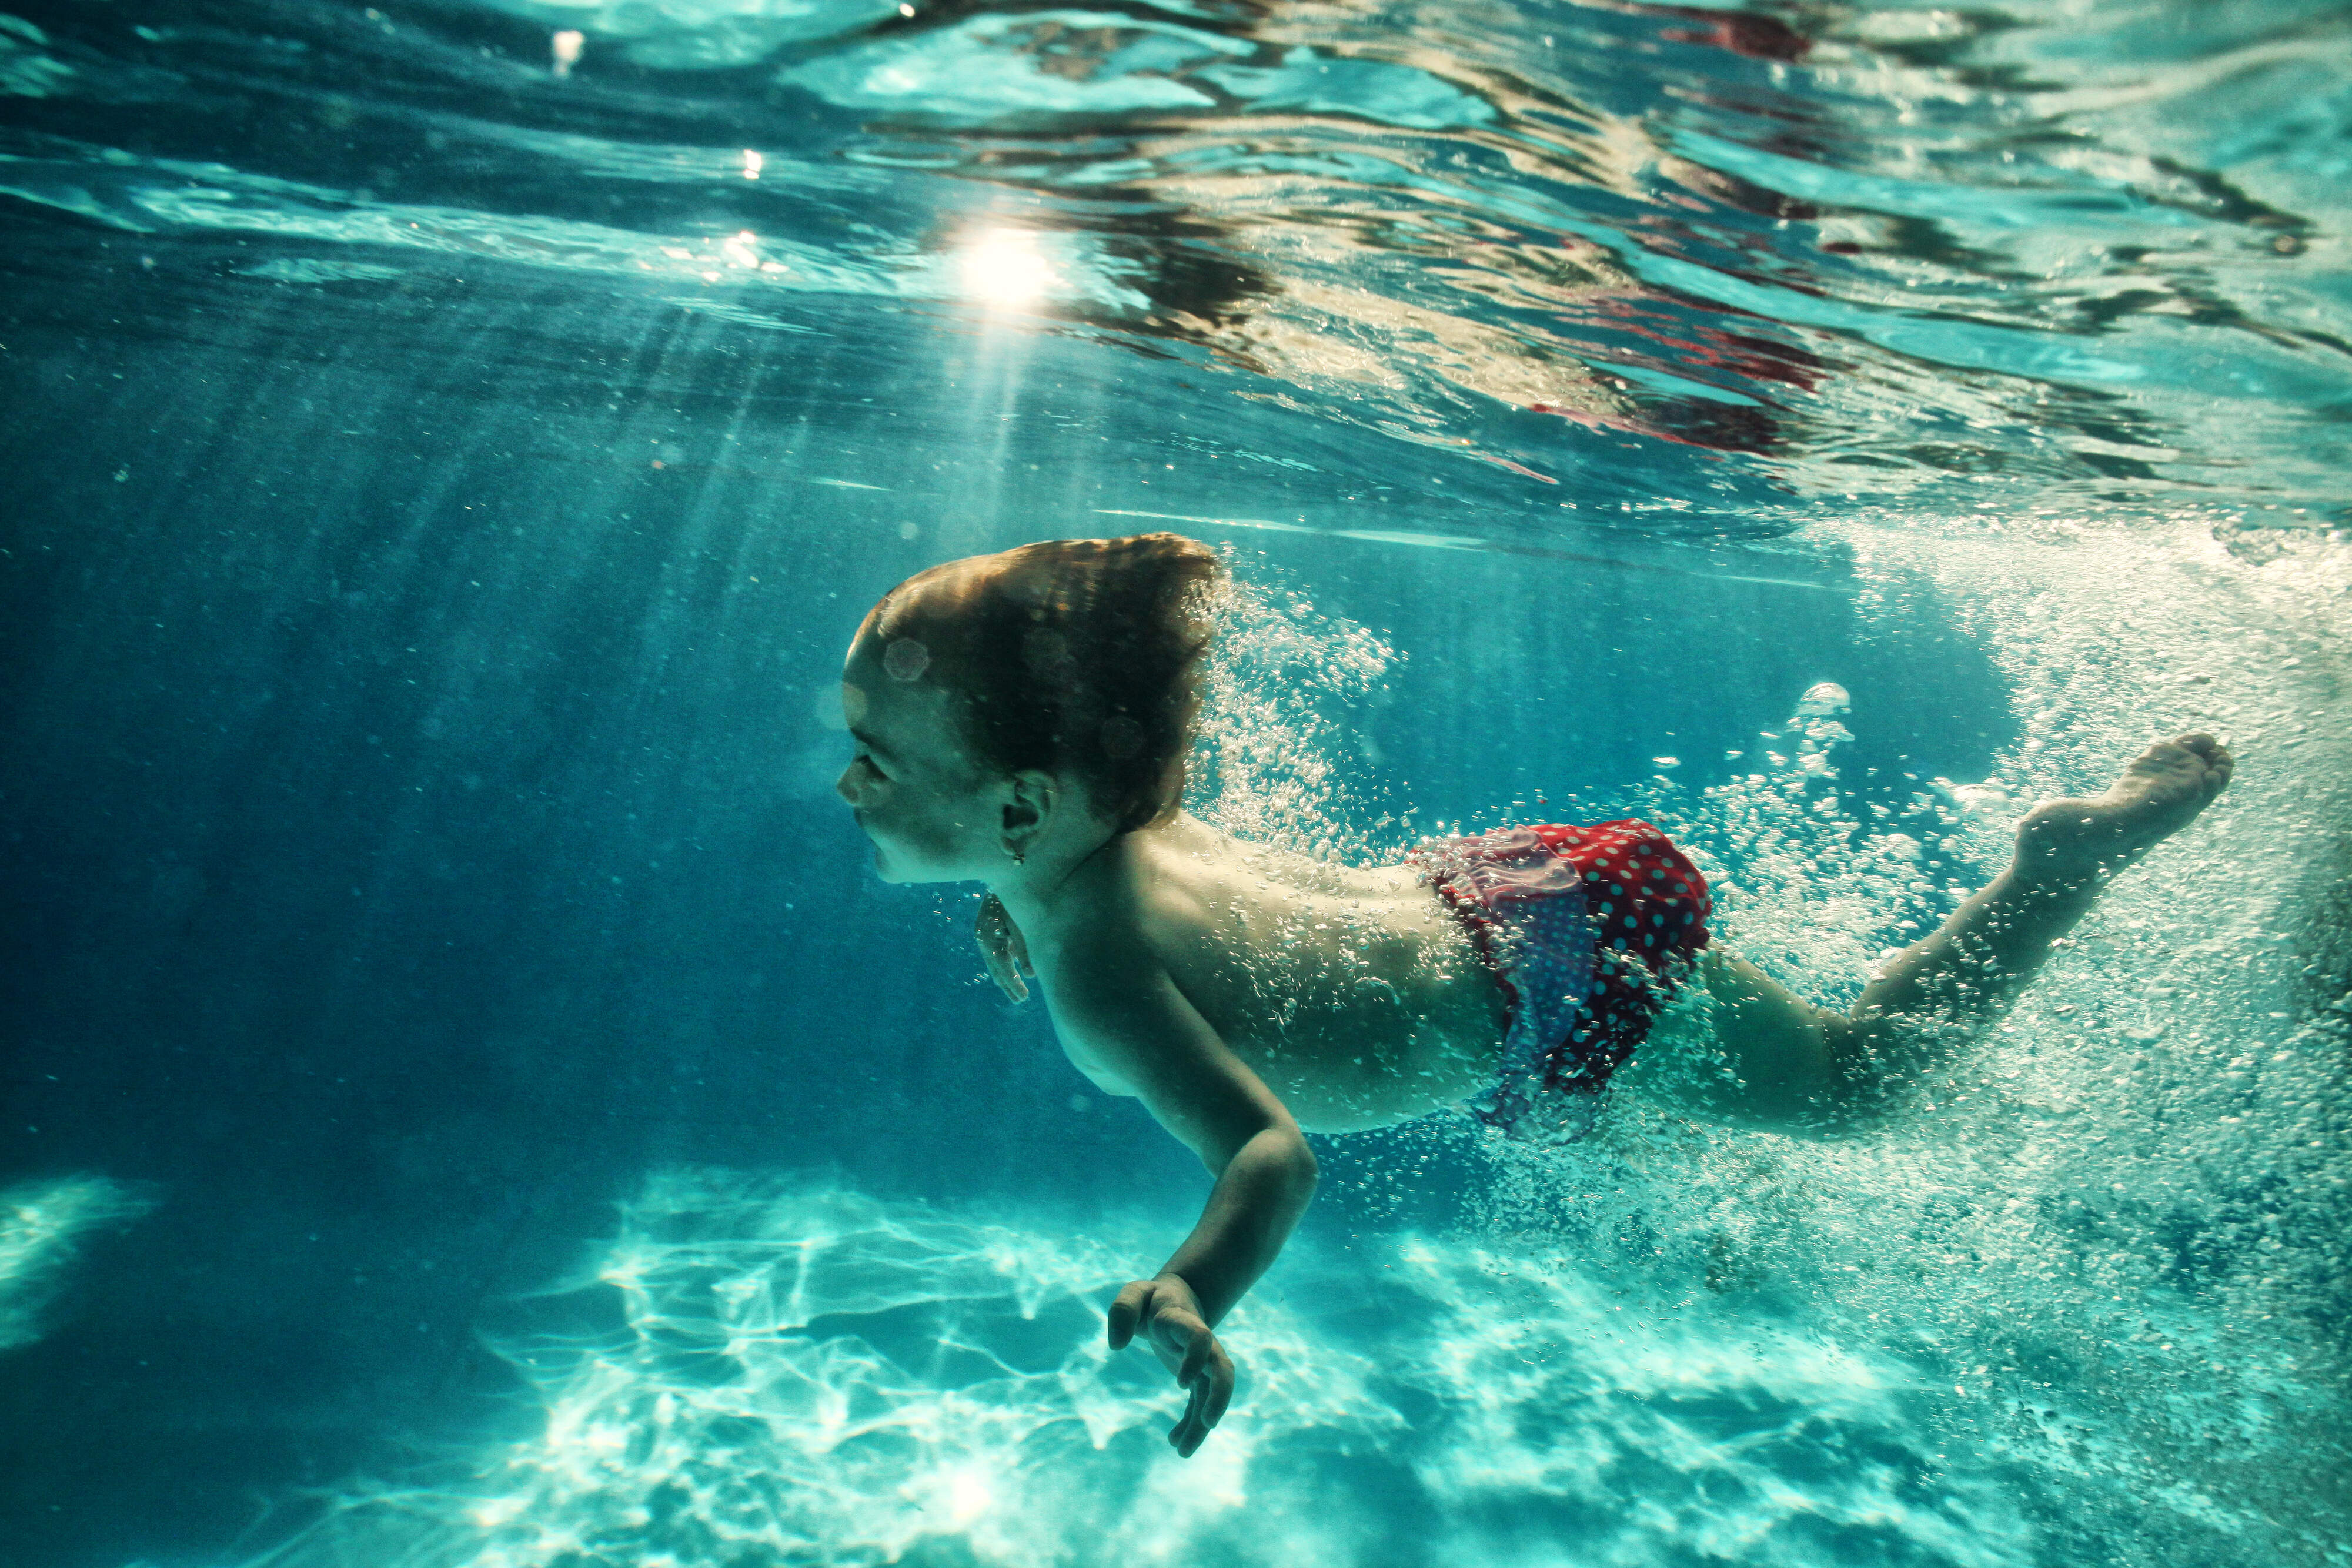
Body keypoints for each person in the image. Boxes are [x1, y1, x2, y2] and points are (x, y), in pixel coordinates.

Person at [832, 533, 2233, 1458]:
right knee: (1617, 1143)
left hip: (1552, 984)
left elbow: (1273, 1148)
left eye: (875, 760)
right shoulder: (1111, 838)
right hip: (1515, 895)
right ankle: (1699, 1166)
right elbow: (1089, 856)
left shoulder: (1096, 973)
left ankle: (2054, 868)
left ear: (1020, 803)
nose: (848, 786)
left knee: (1855, 1087)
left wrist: (1195, 1287)